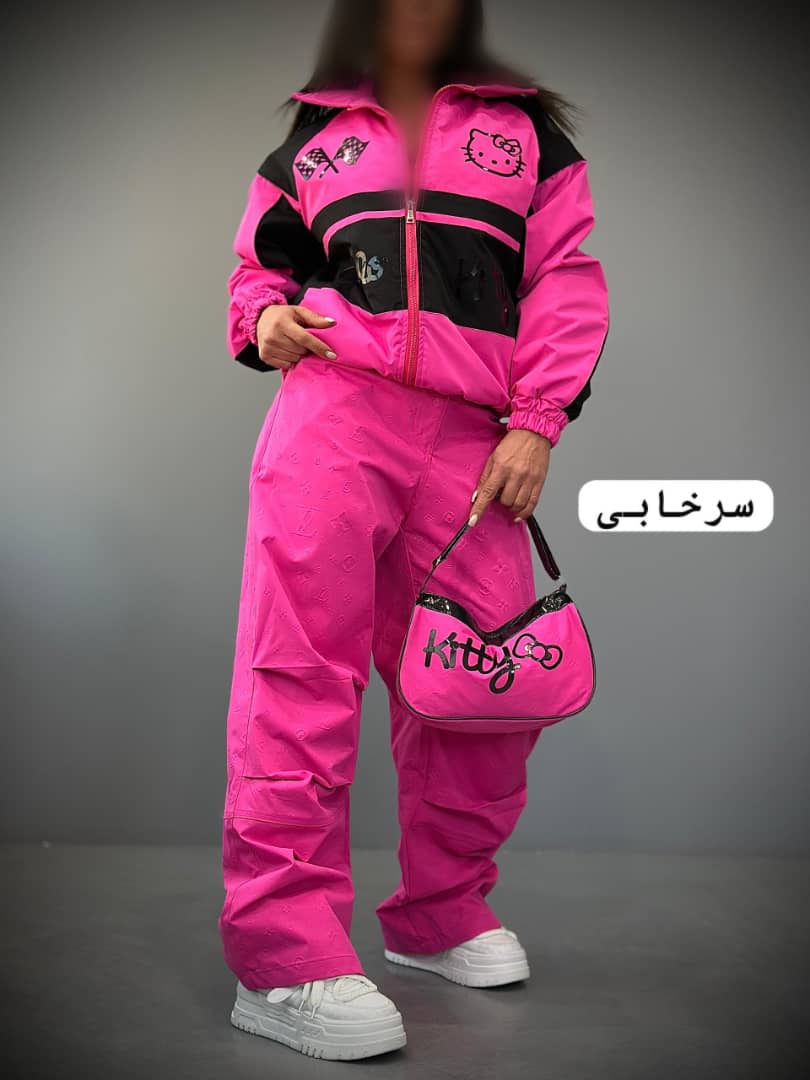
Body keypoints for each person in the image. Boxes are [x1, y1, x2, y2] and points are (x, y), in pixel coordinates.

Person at [218, 0, 610, 1061]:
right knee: (299, 674)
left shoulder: (527, 133)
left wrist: (536, 422)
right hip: (333, 415)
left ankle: (439, 915)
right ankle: (284, 958)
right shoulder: (314, 137)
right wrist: (264, 321)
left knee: (484, 678)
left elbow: (565, 279)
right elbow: (258, 269)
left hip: (474, 436)